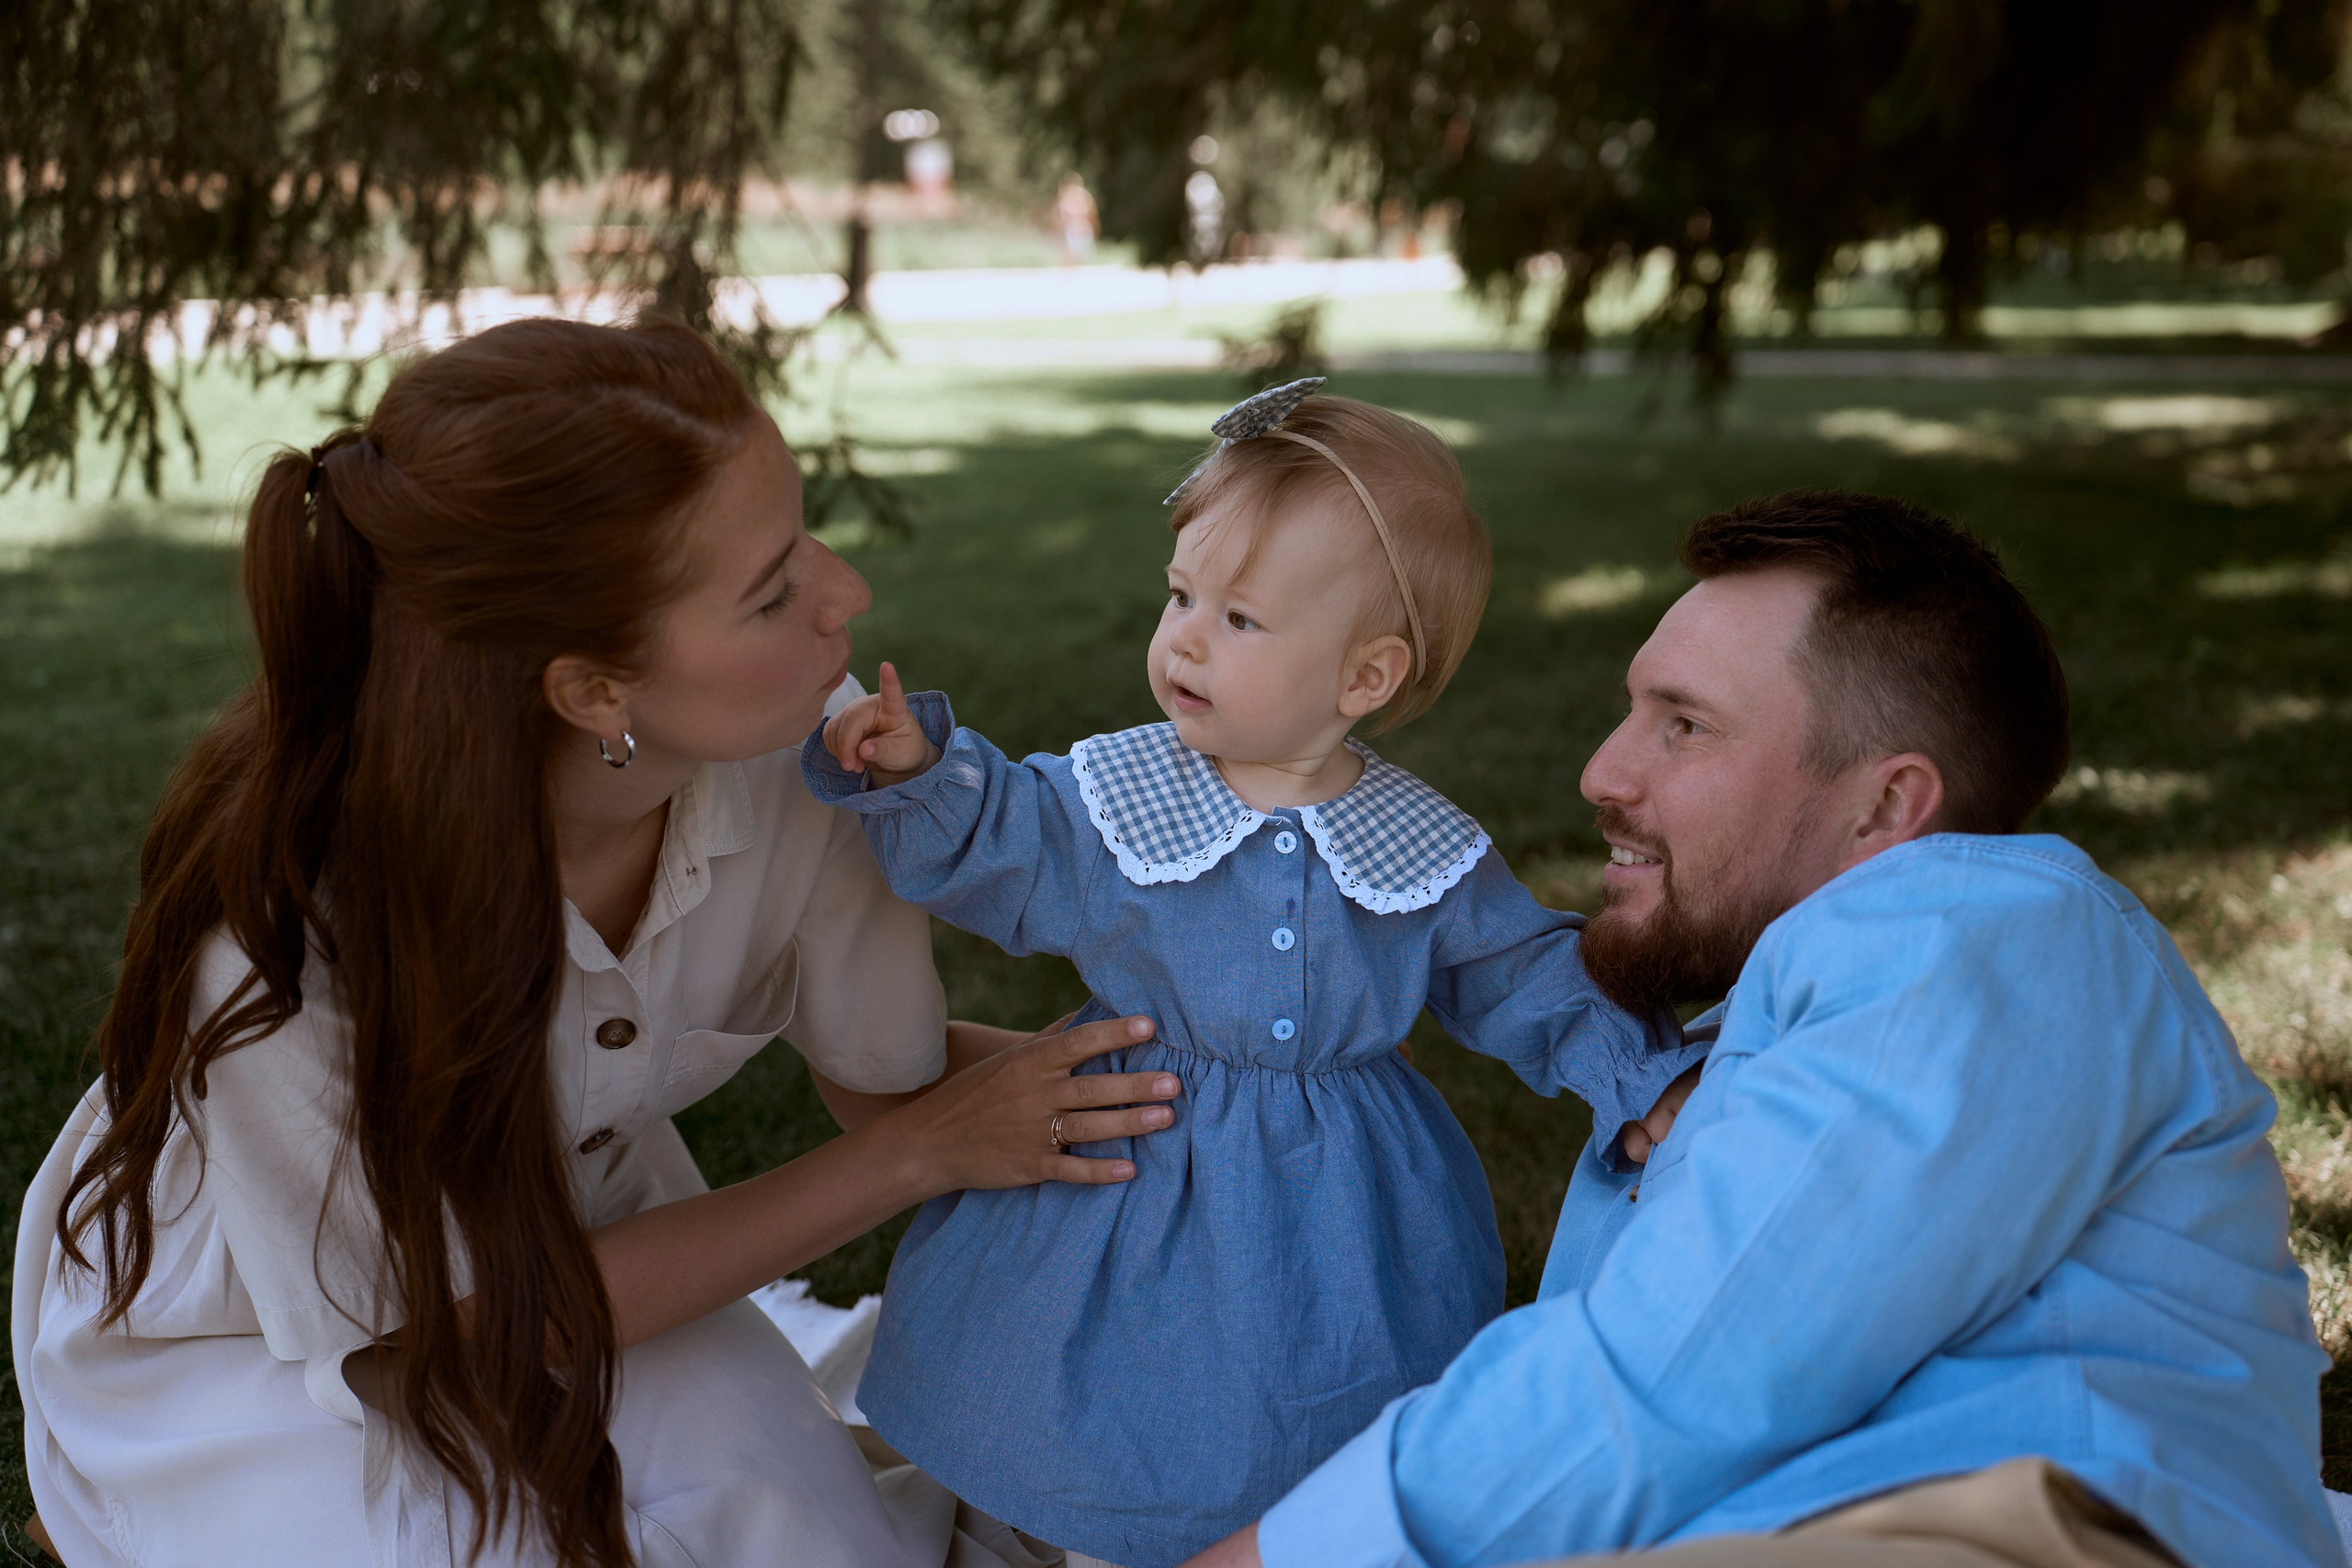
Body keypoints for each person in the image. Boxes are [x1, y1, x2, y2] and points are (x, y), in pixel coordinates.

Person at [11, 316, 1185, 1568]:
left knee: (821, 1544)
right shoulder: (285, 927)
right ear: (593, 690)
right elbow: (442, 1343)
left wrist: (1205, 1080)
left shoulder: (811, 755)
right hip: (297, 1327)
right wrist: (909, 1157)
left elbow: (883, 1083)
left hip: (601, 1240)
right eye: (775, 588)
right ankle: (112, 1483)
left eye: (805, 536)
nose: (849, 593)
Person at [1182, 490, 2340, 1568]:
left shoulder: (1976, 924)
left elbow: (1688, 1366)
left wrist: (1279, 1555)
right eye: (1633, 712)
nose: (1602, 771)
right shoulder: (1817, 1017)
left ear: (1886, 806)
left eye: (1682, 727)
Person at [806, 379, 1705, 1568]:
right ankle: (1055, 1518)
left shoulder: (1419, 846)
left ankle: (1271, 1532)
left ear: (1365, 677)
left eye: (1240, 617)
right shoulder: (1123, 794)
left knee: (1302, 1397)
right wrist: (924, 773)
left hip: (1340, 1200)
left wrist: (1639, 1077)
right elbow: (1007, 840)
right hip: (1129, 1151)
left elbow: (1521, 972)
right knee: (1090, 1380)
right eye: (1181, 594)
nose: (1183, 634)